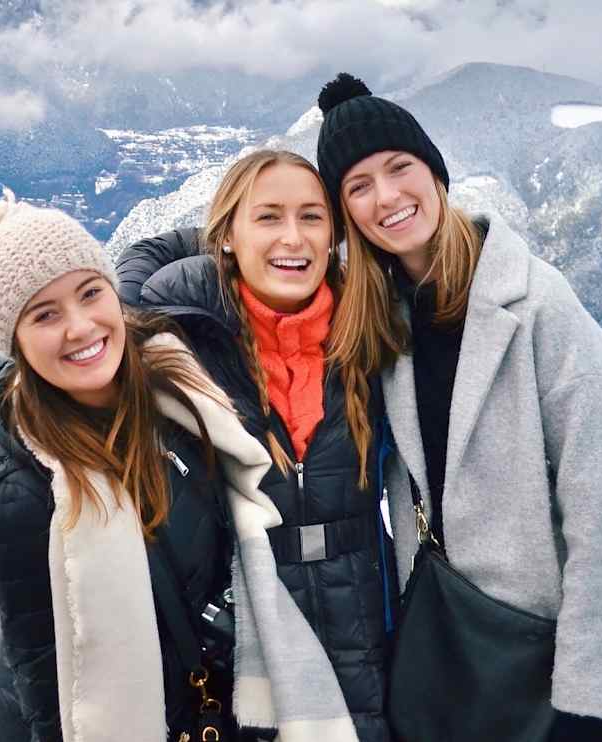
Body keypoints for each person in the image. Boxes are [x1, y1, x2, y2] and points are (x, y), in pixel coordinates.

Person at [315, 73, 602, 741]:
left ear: (435, 172)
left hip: (545, 656)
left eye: (400, 168)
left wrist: (585, 691)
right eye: (358, 187)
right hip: (445, 650)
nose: (387, 196)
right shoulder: (379, 320)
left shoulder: (537, 306)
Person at [0, 199, 356, 742]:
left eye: (91, 293)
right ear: (13, 341)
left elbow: (160, 251)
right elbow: (49, 688)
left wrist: (262, 244)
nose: (81, 326)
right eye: (44, 314)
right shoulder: (19, 494)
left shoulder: (164, 383)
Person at [116, 150, 394, 742]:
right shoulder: (181, 346)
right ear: (226, 238)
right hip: (242, 660)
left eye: (311, 217)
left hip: (370, 641)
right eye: (267, 217)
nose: (292, 238)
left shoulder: (373, 332)